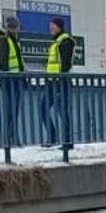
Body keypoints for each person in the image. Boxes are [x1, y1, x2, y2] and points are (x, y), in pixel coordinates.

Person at [40, 17, 75, 148]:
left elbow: (65, 63)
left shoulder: (66, 41)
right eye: (50, 26)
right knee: (43, 108)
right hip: (51, 82)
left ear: (59, 27)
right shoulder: (55, 42)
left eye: (53, 26)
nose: (50, 28)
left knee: (62, 112)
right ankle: (53, 137)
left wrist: (60, 78)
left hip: (61, 82)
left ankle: (67, 142)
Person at [0, 16, 24, 148]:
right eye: (16, 27)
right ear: (12, 27)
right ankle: (9, 140)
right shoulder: (4, 40)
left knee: (13, 111)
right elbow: (3, 63)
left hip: (15, 80)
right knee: (10, 111)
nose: (18, 29)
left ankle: (12, 138)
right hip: (9, 81)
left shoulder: (11, 40)